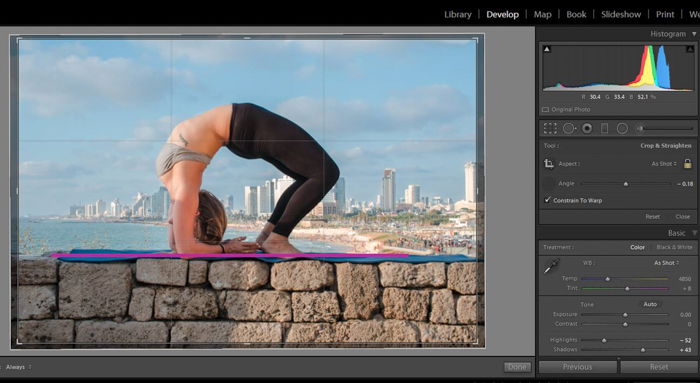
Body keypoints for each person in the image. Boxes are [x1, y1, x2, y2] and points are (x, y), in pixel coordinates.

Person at [156, 102, 340, 254]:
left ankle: (269, 237)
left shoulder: (183, 192)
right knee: (326, 173)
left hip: (237, 126)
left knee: (311, 176)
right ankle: (276, 239)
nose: (181, 224)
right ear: (196, 213)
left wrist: (221, 248)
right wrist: (225, 248)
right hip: (243, 125)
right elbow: (184, 249)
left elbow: (179, 247)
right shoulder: (183, 190)